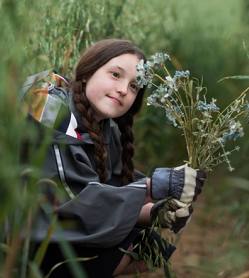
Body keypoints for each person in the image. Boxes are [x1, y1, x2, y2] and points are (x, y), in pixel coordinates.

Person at [19, 39, 207, 277]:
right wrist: (157, 185)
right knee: (124, 249)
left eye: (134, 87)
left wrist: (156, 214)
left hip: (59, 229)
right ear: (87, 72)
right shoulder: (52, 113)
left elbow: (112, 190)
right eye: (115, 75)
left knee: (149, 249)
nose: (123, 89)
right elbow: (75, 204)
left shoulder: (106, 127)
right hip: (23, 237)